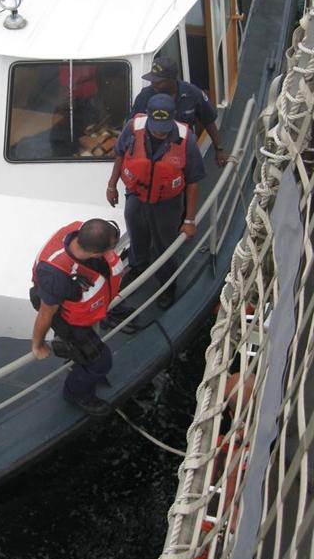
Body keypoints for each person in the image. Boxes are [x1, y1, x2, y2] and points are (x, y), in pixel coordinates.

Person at [106, 94, 206, 309]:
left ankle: (167, 285)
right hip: (136, 196)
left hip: (167, 203)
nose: (160, 131)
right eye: (156, 126)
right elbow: (120, 154)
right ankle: (137, 268)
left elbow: (194, 180)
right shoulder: (133, 128)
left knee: (165, 245)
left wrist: (189, 219)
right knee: (137, 235)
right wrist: (112, 185)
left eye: (164, 126)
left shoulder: (186, 140)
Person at [31, 218, 124, 417]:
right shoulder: (55, 276)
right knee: (101, 362)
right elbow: (46, 313)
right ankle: (75, 393)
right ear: (97, 253)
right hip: (65, 318)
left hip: (79, 304)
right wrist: (38, 345)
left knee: (91, 353)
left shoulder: (77, 232)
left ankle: (80, 360)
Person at [131, 57, 228, 167]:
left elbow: (208, 121)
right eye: (152, 80)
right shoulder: (144, 96)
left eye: (159, 81)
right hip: (152, 156)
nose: (154, 84)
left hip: (184, 153)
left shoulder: (193, 93)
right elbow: (132, 126)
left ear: (172, 79)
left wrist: (219, 149)